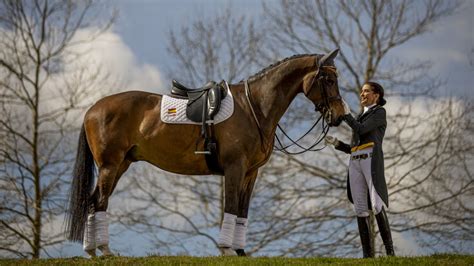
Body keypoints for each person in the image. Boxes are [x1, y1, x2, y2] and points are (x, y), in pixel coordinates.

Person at [325, 82, 395, 258]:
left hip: (370, 160)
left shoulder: (379, 112)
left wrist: (347, 115)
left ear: (376, 95)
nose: (362, 94)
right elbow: (354, 147)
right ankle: (367, 255)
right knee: (360, 208)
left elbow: (361, 129)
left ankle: (390, 252)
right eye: (361, 91)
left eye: (366, 91)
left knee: (376, 204)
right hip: (355, 160)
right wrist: (337, 144)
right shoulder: (360, 115)